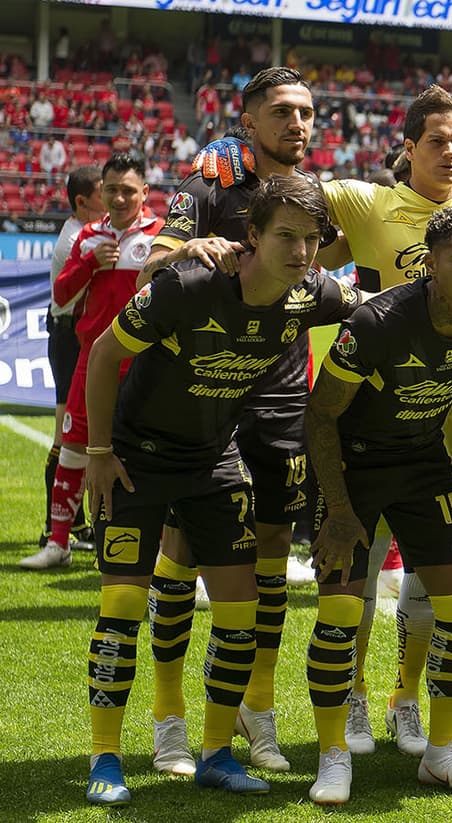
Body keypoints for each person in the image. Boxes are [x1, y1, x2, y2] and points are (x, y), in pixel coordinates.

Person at [79, 175, 361, 806]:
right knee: (122, 608)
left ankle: (215, 753)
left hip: (213, 460)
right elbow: (101, 353)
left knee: (241, 611)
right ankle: (105, 758)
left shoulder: (311, 292)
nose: (300, 251)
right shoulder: (191, 285)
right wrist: (98, 453)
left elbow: (378, 308)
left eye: (311, 239)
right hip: (139, 462)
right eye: (285, 236)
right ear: (251, 235)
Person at [312, 84, 452, 759]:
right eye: (438, 141)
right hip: (371, 431)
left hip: (451, 433)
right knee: (359, 582)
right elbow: (281, 193)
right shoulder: (369, 203)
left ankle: (406, 699)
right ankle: (351, 695)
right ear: (408, 148)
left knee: (431, 582)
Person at [141, 67, 323, 778]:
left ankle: (257, 705)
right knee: (184, 549)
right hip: (207, 396)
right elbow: (152, 268)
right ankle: (168, 718)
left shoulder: (313, 193)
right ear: (247, 121)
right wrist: (189, 249)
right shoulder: (208, 185)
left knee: (272, 551)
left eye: (306, 112)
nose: (297, 124)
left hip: (281, 397)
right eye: (281, 112)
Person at [21, 155, 162, 572]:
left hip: (144, 362)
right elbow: (61, 295)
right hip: (93, 359)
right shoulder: (87, 237)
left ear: (144, 193)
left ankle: (156, 551)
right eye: (111, 190)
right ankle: (58, 543)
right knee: (73, 448)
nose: (119, 198)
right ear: (102, 191)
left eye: (128, 191)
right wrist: (89, 263)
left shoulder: (160, 236)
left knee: (151, 452)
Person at [21, 166, 103, 568]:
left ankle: (79, 525)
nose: (110, 199)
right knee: (67, 434)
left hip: (73, 334)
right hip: (70, 339)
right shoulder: (76, 240)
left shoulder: (83, 232)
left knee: (82, 436)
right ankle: (54, 528)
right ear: (82, 201)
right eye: (104, 192)